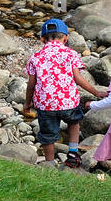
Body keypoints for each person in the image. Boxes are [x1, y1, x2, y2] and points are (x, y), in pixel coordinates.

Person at [23, 19, 108, 168]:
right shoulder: (71, 54)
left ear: (42, 39)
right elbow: (78, 78)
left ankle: (49, 163)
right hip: (68, 102)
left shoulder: (35, 57)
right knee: (74, 122)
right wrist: (96, 92)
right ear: (66, 38)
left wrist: (27, 103)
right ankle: (73, 154)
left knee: (48, 135)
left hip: (45, 105)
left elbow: (31, 84)